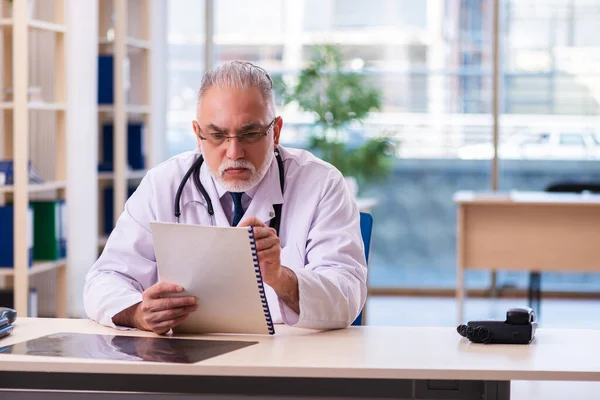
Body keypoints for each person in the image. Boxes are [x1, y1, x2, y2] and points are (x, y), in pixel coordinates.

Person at [84, 61, 367, 335]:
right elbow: (104, 280)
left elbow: (348, 294)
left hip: (290, 360)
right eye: (217, 135)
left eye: (250, 133)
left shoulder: (321, 184)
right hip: (187, 363)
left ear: (276, 131)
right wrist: (138, 313)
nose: (234, 153)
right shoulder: (164, 184)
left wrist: (281, 278)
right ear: (198, 135)